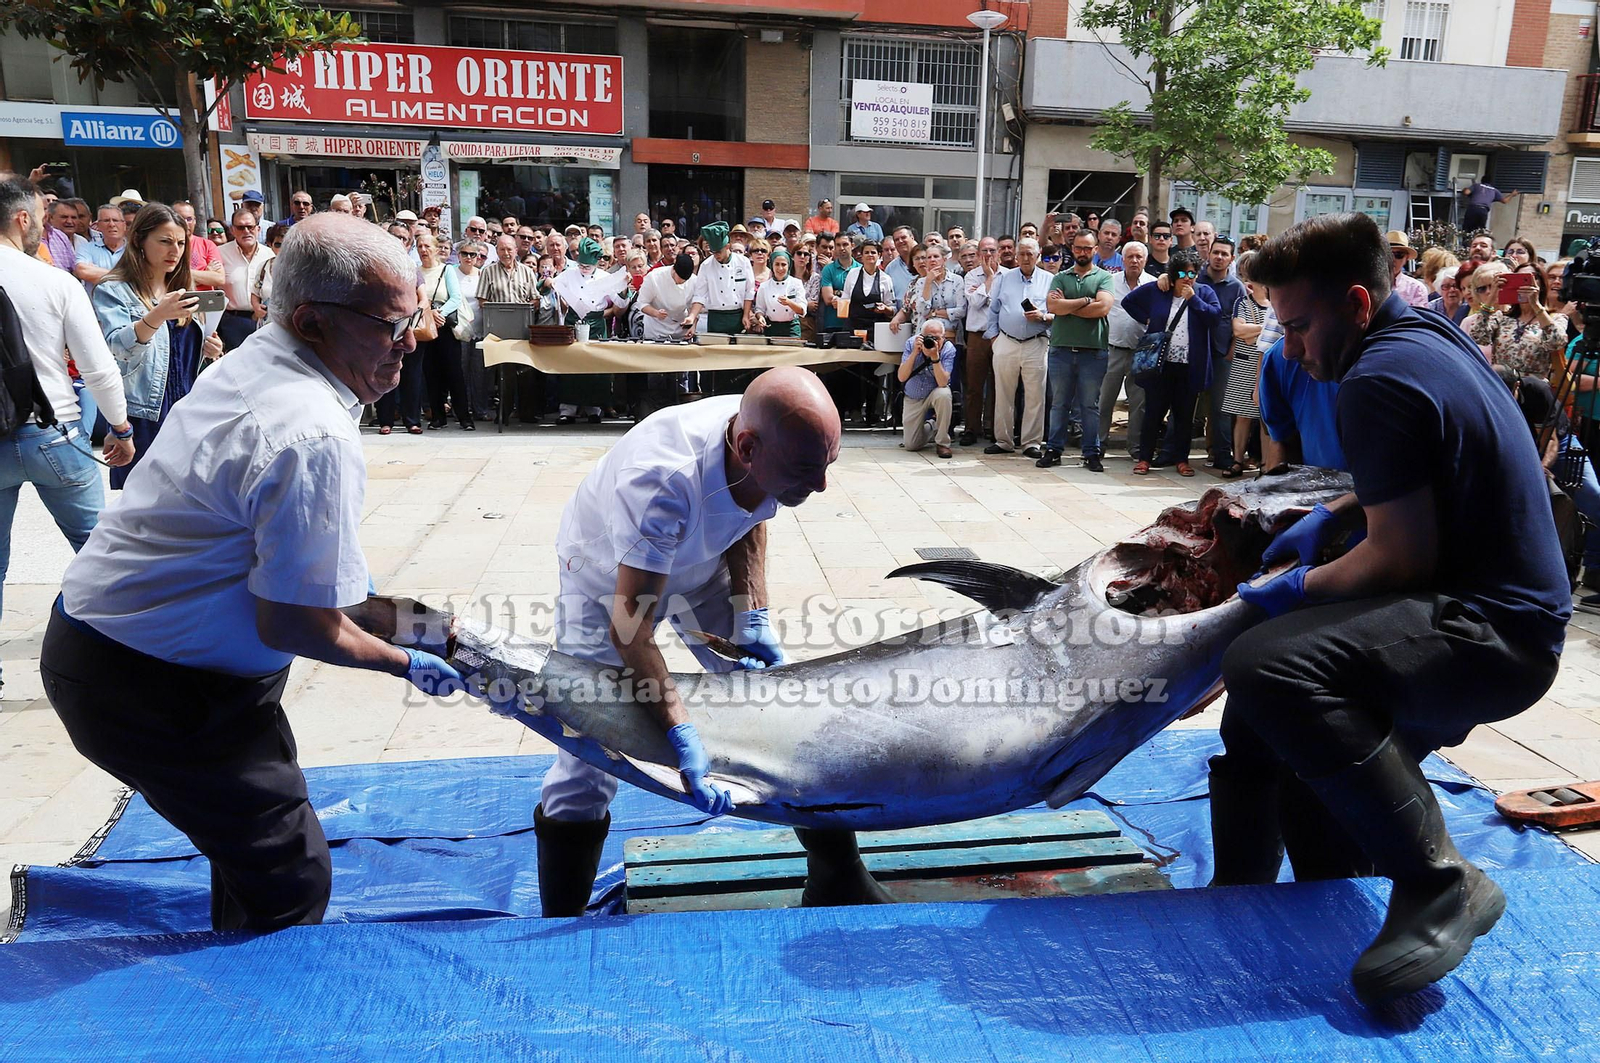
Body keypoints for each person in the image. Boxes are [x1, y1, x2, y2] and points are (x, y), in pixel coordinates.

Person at [43, 213, 465, 933]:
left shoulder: (266, 358)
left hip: (147, 655)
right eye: (392, 326)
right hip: (148, 683)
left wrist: (434, 626)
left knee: (254, 840)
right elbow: (299, 621)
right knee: (286, 872)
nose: (411, 343)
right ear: (310, 320)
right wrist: (408, 664)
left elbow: (314, 581)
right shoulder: (309, 431)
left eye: (416, 317)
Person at [1219, 212, 1568, 1002]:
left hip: (1496, 630)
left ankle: (1439, 880)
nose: (1295, 352)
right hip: (1489, 603)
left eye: (1302, 327)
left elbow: (1398, 559)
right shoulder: (1426, 333)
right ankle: (1272, 887)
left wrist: (1291, 592)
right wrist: (1338, 514)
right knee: (1261, 708)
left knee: (1265, 664)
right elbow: (1422, 471)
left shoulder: (1376, 378)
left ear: (1358, 303)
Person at [535, 367, 893, 914]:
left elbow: (757, 506)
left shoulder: (763, 431)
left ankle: (838, 875)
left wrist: (753, 613)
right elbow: (630, 629)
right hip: (606, 581)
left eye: (829, 465)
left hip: (702, 571)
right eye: (807, 469)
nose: (821, 486)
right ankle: (559, 920)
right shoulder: (660, 482)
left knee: (784, 717)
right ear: (746, 446)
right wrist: (679, 728)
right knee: (588, 751)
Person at [0, 175, 136, 698]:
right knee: (101, 554)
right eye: (38, 214)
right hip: (52, 433)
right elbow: (99, 368)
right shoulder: (51, 280)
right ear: (20, 220)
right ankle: (124, 663)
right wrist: (120, 427)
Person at [92, 203, 223, 488]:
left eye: (180, 242)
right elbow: (117, 348)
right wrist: (157, 315)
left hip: (187, 411)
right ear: (139, 240)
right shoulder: (113, 289)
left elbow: (179, 356)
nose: (174, 251)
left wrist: (209, 351)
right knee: (143, 508)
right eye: (164, 241)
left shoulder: (182, 287)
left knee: (187, 505)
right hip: (145, 415)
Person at [1121, 247, 1221, 476]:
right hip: (1160, 364)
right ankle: (1145, 458)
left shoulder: (1204, 292)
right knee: (1153, 412)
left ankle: (1182, 459)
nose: (1189, 278)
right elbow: (1129, 302)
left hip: (1189, 365)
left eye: (1193, 273)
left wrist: (1194, 300)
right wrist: (1147, 318)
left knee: (1184, 416)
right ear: (1175, 274)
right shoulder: (1160, 289)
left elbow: (1215, 317)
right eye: (1184, 274)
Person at [1041, 230, 1115, 471]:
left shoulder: (1104, 277)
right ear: (1072, 250)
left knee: (1089, 405)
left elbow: (1102, 307)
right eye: (1079, 248)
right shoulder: (1060, 277)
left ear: (1095, 250)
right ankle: (1053, 450)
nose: (1083, 252)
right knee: (1059, 403)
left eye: (1087, 248)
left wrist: (1068, 306)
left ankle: (1091, 453)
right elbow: (1052, 305)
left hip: (1092, 351)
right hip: (1061, 349)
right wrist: (1085, 301)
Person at [984, 237, 1054, 459]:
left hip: (1037, 342)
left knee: (1035, 395)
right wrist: (995, 339)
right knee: (1003, 393)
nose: (1025, 258)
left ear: (1038, 255)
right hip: (1006, 341)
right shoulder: (1004, 278)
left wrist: (1043, 317)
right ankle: (1003, 440)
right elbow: (993, 309)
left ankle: (1031, 442)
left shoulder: (1050, 280)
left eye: (1029, 254)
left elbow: (1058, 313)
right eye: (1021, 253)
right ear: (1016, 255)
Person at [1099, 240, 1156, 458]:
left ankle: (1135, 448)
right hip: (1112, 349)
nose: (1134, 261)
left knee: (1139, 403)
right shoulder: (1109, 282)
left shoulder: (1153, 284)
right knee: (1104, 401)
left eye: (1138, 257)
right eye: (1130, 257)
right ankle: (1098, 445)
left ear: (1145, 260)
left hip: (1141, 353)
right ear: (1122, 259)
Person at [1467, 264, 1568, 383]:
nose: (1524, 283)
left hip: (1533, 388)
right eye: (1519, 277)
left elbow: (1556, 342)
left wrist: (1536, 305)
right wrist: (1492, 296)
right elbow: (1477, 337)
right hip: (1503, 385)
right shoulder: (1502, 317)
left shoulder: (1556, 318)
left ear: (1541, 283)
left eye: (1532, 277)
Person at [1218, 250, 1268, 479]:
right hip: (1244, 363)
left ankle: (1265, 462)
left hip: (1266, 363)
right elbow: (1239, 332)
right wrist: (1267, 329)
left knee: (1266, 417)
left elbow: (1251, 334)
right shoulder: (1243, 301)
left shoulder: (1274, 303)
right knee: (1241, 415)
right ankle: (1237, 459)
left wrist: (1254, 331)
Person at [418, 232, 472, 431]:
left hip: (446, 328)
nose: (423, 251)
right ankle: (437, 417)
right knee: (431, 374)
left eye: (427, 247)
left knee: (454, 373)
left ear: (435, 249)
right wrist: (429, 315)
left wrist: (438, 313)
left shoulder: (446, 270)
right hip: (426, 329)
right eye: (420, 247)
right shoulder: (415, 272)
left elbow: (455, 298)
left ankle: (464, 417)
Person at [960, 237, 1000, 446]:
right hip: (976, 335)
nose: (988, 255)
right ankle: (971, 428)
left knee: (997, 385)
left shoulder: (1010, 275)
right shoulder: (970, 276)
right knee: (974, 385)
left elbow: (999, 303)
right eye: (983, 251)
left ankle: (993, 428)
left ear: (998, 252)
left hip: (1000, 335)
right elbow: (975, 303)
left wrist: (985, 291)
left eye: (992, 250)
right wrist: (989, 279)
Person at [685, 222, 755, 341]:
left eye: (719, 252)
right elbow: (700, 295)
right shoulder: (706, 265)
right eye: (713, 252)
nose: (716, 255)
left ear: (728, 246)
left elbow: (749, 291)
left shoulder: (743, 262)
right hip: (715, 317)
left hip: (737, 315)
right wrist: (692, 317)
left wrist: (746, 315)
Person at [217, 208, 273, 351]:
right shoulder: (220, 254)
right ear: (232, 230)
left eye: (250, 227)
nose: (246, 231)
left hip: (264, 321)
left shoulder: (270, 255)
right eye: (241, 227)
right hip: (232, 323)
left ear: (258, 229)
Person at [899, 319, 957, 458]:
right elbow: (901, 377)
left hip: (935, 392)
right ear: (921, 336)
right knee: (911, 445)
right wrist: (914, 353)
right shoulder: (911, 343)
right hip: (914, 395)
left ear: (943, 337)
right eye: (929, 337)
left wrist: (935, 357)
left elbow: (943, 382)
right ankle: (932, 426)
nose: (933, 341)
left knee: (944, 394)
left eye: (937, 338)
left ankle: (943, 443)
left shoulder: (948, 349)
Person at [173, 200, 226, 290]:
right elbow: (167, 280)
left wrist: (181, 274)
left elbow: (219, 279)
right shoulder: (167, 246)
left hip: (205, 301)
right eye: (180, 218)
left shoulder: (207, 245)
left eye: (189, 219)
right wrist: (205, 273)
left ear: (194, 221)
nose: (185, 223)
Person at [754, 249, 806, 338]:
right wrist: (760, 317)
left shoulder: (796, 283)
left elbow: (802, 311)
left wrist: (789, 303)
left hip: (791, 328)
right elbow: (759, 309)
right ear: (772, 266)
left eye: (783, 264)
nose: (780, 268)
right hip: (771, 328)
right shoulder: (764, 286)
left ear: (789, 266)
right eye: (777, 264)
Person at [73, 204, 127, 288]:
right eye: (106, 220)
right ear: (98, 226)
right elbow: (82, 271)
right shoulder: (86, 248)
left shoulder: (135, 249)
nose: (111, 224)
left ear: (124, 225)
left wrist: (96, 272)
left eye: (116, 220)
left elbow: (142, 275)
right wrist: (126, 276)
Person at [249, 223, 289, 322]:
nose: (282, 248)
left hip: (290, 324)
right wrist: (257, 307)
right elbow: (255, 293)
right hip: (266, 323)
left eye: (286, 244)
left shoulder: (299, 267)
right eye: (278, 244)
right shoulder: (263, 267)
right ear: (270, 244)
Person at [1385, 231, 1430, 307]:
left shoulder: (1416, 289)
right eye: (1388, 254)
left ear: (1406, 258)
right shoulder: (1367, 284)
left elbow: (1417, 317)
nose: (1392, 259)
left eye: (1399, 255)